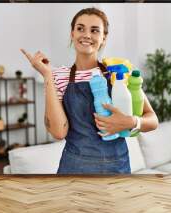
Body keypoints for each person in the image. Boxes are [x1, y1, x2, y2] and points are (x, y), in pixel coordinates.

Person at [21, 7, 158, 174]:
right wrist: (48, 76)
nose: (86, 35)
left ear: (104, 38)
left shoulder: (118, 71)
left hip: (117, 168)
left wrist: (131, 122)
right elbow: (58, 132)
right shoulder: (59, 76)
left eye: (94, 30)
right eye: (80, 28)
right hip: (74, 168)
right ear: (72, 34)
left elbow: (152, 120)